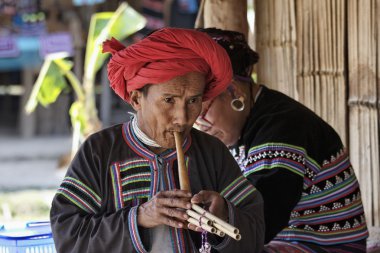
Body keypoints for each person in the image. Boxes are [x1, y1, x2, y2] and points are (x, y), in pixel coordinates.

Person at [50, 27, 265, 253]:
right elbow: (67, 236)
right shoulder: (99, 151)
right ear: (136, 99)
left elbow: (255, 233)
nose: (183, 117)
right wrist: (141, 217)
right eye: (169, 100)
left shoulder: (211, 151)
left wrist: (224, 214)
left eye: (193, 101)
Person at [195, 28, 369, 252]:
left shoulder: (281, 130)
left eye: (203, 107)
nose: (198, 120)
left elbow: (259, 226)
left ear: (234, 92)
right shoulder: (246, 122)